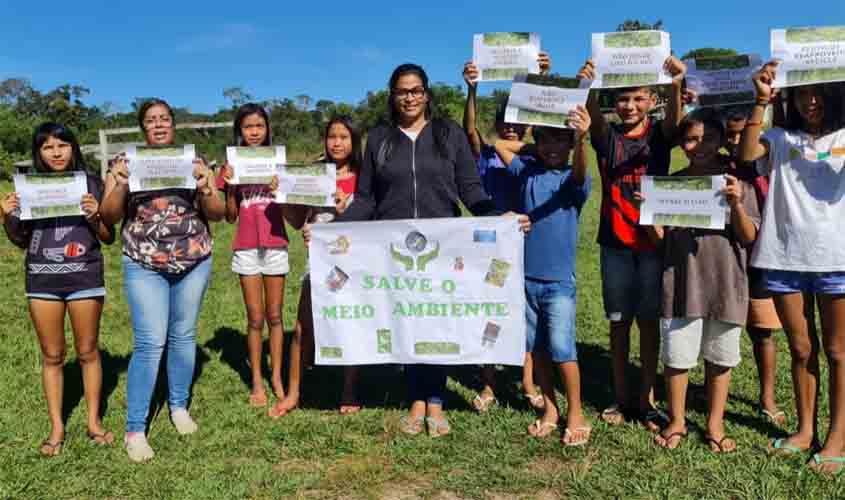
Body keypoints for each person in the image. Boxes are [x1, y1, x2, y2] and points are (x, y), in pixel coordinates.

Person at [327, 63, 529, 437]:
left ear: (427, 94)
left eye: (416, 90)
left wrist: (501, 218)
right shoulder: (380, 139)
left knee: (435, 319)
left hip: (442, 245)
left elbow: (471, 189)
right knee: (409, 318)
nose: (410, 97)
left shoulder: (447, 133)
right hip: (394, 246)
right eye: (403, 91)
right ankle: (417, 398)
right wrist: (331, 229)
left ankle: (433, 401)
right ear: (393, 95)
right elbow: (367, 199)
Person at [100, 98, 225, 462]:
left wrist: (205, 186)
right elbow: (107, 216)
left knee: (184, 336)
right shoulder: (123, 161)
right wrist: (121, 184)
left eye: (164, 119)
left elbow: (216, 213)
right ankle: (135, 429)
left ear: (173, 125)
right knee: (150, 342)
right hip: (144, 261)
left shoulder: (195, 160)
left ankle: (178, 406)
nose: (158, 125)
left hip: (193, 259)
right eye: (151, 120)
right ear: (142, 128)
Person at [739, 63, 845, 473]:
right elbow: (748, 155)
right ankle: (805, 431)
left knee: (838, 353)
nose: (810, 100)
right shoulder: (780, 138)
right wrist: (761, 99)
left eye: (819, 93)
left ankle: (837, 437)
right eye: (802, 94)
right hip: (784, 258)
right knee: (801, 349)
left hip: (836, 259)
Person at [576, 56, 687, 430]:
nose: (630, 106)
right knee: (619, 323)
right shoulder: (607, 138)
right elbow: (591, 114)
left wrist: (676, 84)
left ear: (651, 101)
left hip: (653, 244)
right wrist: (588, 84)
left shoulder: (659, 136)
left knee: (650, 323)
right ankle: (621, 397)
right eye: (623, 99)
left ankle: (647, 399)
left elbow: (675, 121)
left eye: (639, 99)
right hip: (615, 243)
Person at [639, 111, 759, 452]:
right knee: (677, 357)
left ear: (722, 141)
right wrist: (649, 216)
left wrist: (736, 205)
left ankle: (714, 423)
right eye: (691, 139)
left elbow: (748, 236)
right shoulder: (672, 185)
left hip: (726, 282)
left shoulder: (738, 184)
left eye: (708, 138)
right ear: (681, 144)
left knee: (721, 358)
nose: (700, 146)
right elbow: (661, 242)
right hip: (681, 282)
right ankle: (676, 420)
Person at [1, 122, 115, 456]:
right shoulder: (27, 189)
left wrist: (96, 217)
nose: (56, 152)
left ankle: (94, 422)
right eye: (48, 147)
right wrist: (8, 217)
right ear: (38, 152)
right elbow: (21, 239)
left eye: (62, 145)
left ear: (73, 148)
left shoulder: (92, 183)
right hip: (42, 280)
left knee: (88, 351)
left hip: (84, 278)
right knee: (52, 356)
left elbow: (108, 236)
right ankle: (56, 428)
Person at [494, 106, 593, 445]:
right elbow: (500, 146)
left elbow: (581, 172)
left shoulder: (572, 179)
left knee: (563, 349)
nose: (552, 147)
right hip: (525, 280)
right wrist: (540, 145)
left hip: (559, 284)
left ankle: (576, 412)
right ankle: (550, 408)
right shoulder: (527, 171)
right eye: (546, 140)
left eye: (559, 141)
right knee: (537, 351)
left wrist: (578, 140)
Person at [462, 53, 550, 412]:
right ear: (497, 125)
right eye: (505, 122)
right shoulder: (484, 154)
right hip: (490, 246)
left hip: (527, 243)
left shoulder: (535, 156)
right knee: (491, 310)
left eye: (518, 121)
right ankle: (488, 384)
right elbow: (469, 129)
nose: (511, 128)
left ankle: (528, 381)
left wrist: (542, 79)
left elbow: (555, 119)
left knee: (525, 312)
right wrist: (472, 90)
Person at [269, 115, 362, 417]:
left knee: (350, 325)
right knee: (301, 329)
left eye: (344, 137)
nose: (337, 142)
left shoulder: (364, 176)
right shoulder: (315, 174)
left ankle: (349, 391)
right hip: (318, 263)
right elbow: (298, 221)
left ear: (354, 141)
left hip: (353, 264)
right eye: (331, 136)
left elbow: (373, 220)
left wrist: (345, 208)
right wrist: (282, 198)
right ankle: (294, 393)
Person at [218, 103, 289, 409]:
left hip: (275, 243)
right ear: (240, 131)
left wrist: (283, 187)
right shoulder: (230, 166)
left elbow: (290, 208)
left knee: (275, 315)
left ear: (267, 129)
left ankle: (277, 377)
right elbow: (230, 217)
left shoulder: (279, 162)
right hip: (246, 246)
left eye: (259, 126)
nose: (255, 132)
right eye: (248, 127)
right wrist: (232, 187)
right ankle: (257, 380)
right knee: (255, 317)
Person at [723, 111, 785, 426]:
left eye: (741, 134)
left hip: (761, 260)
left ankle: (767, 396)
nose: (735, 142)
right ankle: (716, 389)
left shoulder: (768, 162)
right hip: (724, 260)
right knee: (720, 328)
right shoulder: (717, 169)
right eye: (729, 135)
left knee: (762, 332)